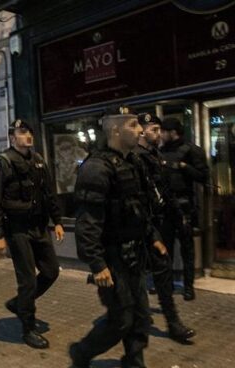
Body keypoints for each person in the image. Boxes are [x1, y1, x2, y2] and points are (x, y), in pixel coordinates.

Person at [70, 107, 161, 368]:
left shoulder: (134, 162)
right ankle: (81, 352)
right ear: (115, 130)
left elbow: (140, 208)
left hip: (134, 253)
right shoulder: (96, 167)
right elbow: (87, 221)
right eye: (133, 125)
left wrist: (153, 236)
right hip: (112, 257)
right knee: (121, 318)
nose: (140, 130)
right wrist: (97, 264)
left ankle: (134, 363)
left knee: (141, 316)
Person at [0, 119, 65, 349]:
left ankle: (19, 303)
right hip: (18, 229)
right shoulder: (3, 163)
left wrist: (58, 221)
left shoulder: (38, 160)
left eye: (29, 131)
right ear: (12, 137)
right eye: (22, 132)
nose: (28, 135)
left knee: (51, 271)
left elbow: (49, 192)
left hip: (39, 227)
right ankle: (28, 328)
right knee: (28, 280)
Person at [134, 113, 196, 343]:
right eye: (153, 130)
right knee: (142, 273)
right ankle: (154, 320)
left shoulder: (154, 155)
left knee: (159, 270)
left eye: (159, 130)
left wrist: (179, 216)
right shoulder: (135, 158)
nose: (158, 134)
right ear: (141, 131)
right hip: (143, 226)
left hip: (158, 223)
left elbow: (165, 191)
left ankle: (171, 323)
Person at [159, 118, 209, 301]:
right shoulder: (161, 151)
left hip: (184, 205)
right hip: (166, 206)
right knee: (166, 248)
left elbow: (203, 176)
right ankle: (167, 284)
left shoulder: (191, 150)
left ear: (173, 132)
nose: (161, 135)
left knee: (187, 249)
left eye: (163, 131)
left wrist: (183, 167)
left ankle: (188, 286)